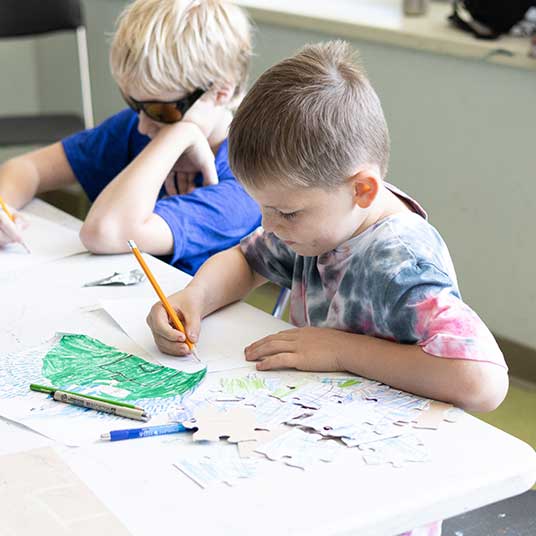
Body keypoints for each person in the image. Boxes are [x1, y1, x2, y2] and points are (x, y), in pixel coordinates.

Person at [147, 40, 508, 412]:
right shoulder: (328, 217)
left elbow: (483, 381)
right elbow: (247, 260)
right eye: (263, 209)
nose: (268, 226)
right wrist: (194, 298)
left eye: (285, 213)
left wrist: (341, 351)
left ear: (363, 190)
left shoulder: (400, 263)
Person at [0, 0, 260, 275]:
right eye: (134, 103)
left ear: (221, 92)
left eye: (161, 109)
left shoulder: (246, 182)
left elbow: (104, 232)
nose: (143, 126)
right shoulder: (137, 126)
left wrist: (180, 134)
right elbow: (27, 168)